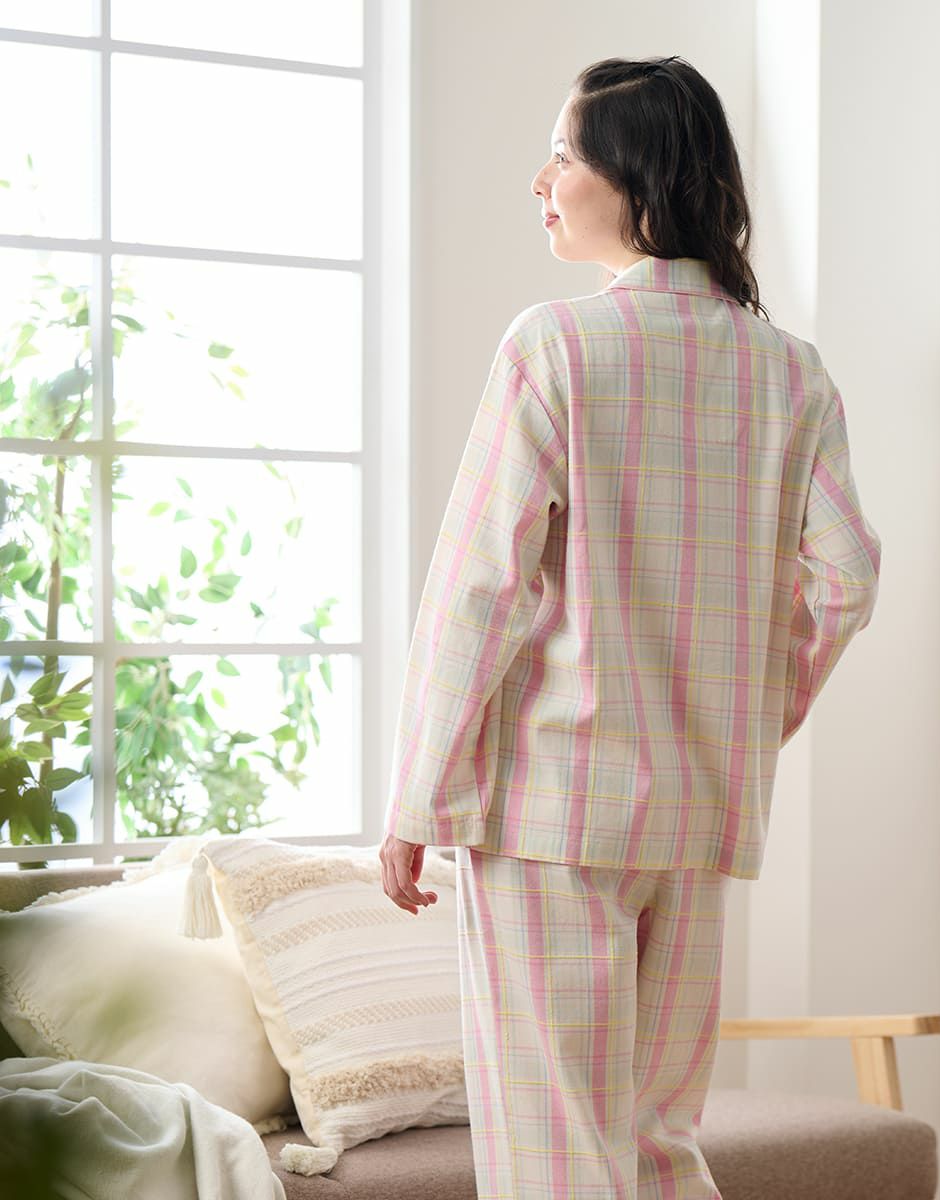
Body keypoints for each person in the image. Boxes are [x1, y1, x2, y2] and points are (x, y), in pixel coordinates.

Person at [379, 53, 882, 1200]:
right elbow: (846, 577)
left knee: (554, 1154)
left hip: (551, 810)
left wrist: (417, 795)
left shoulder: (554, 347)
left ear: (639, 178)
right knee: (656, 1146)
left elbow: (478, 590)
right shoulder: (792, 375)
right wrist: (755, 714)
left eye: (564, 154)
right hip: (698, 813)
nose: (542, 180)